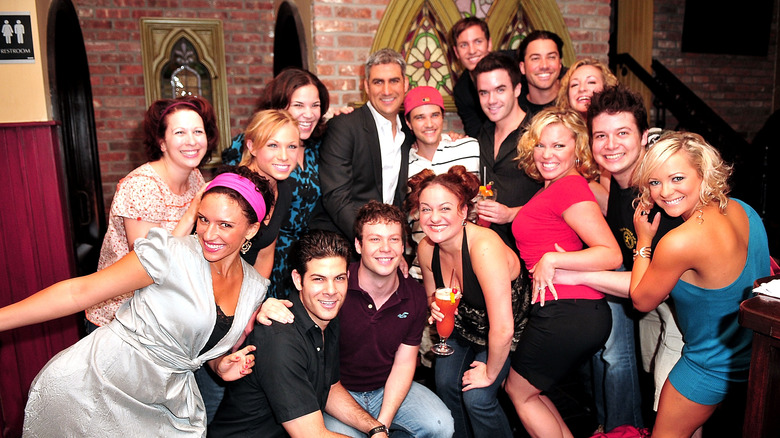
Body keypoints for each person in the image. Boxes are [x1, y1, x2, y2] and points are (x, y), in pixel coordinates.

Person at [0, 166, 274, 436]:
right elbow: (78, 292)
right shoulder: (168, 253)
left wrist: (219, 363)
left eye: (225, 225)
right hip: (99, 390)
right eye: (203, 219)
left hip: (168, 406)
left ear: (251, 230)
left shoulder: (254, 288)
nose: (209, 234)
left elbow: (199, 341)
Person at [552, 86, 683, 430]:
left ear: (643, 137)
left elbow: (653, 287)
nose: (611, 145)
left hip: (694, 318)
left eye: (622, 133)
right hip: (655, 304)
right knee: (601, 341)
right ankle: (612, 428)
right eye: (601, 136)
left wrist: (575, 273)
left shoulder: (659, 193)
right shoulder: (618, 187)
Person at [630, 132, 771, 438]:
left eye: (677, 177)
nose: (665, 192)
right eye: (654, 182)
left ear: (703, 173)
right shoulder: (744, 210)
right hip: (756, 361)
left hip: (707, 368)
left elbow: (641, 300)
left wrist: (643, 242)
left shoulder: (680, 241)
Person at [504, 108, 622, 438]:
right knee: (529, 392)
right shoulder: (551, 189)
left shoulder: (570, 187)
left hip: (569, 311)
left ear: (576, 148)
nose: (547, 154)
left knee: (518, 391)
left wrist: (553, 261)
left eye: (558, 146)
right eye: (541, 145)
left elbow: (611, 253)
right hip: (563, 310)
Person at [208, 230, 390, 438]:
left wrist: (374, 428)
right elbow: (312, 436)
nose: (331, 290)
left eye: (338, 278)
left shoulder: (327, 318)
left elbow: (329, 388)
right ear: (298, 280)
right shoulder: (280, 340)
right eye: (319, 279)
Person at [408, 165, 528, 438]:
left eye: (445, 208)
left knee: (478, 398)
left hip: (508, 331)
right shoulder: (426, 248)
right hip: (464, 329)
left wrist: (488, 374)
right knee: (445, 384)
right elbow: (432, 296)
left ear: (464, 211)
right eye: (426, 209)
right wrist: (434, 307)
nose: (434, 217)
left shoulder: (484, 247)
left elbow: (504, 328)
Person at [320, 201, 454, 437]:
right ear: (358, 245)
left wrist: (382, 423)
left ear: (403, 246)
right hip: (336, 392)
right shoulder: (334, 287)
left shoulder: (413, 295)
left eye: (393, 239)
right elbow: (316, 371)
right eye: (374, 239)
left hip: (386, 387)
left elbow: (403, 365)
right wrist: (374, 429)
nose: (386, 248)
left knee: (441, 425)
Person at [85, 96, 215, 332]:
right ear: (162, 142)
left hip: (165, 309)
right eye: (179, 133)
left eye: (198, 131)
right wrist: (192, 212)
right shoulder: (142, 186)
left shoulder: (194, 176)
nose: (192, 141)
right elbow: (150, 264)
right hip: (121, 315)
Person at [222, 68, 331, 299]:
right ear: (280, 106)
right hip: (256, 249)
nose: (309, 114)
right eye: (299, 105)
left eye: (315, 105)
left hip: (301, 256)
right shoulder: (250, 145)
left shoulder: (317, 146)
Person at [315, 48, 413, 242]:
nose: (387, 91)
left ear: (405, 84)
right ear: (366, 86)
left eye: (394, 81)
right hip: (346, 243)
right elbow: (336, 197)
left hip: (386, 245)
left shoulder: (408, 132)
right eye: (378, 82)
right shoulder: (344, 126)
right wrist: (370, 241)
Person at [472, 52, 540, 252]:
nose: (491, 100)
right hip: (490, 249)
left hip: (531, 251)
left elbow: (559, 195)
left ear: (517, 89)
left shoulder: (539, 133)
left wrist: (512, 214)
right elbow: (486, 183)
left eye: (500, 90)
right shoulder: (482, 135)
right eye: (484, 92)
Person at [237, 109, 300, 277]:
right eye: (273, 145)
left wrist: (255, 299)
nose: (284, 156)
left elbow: (265, 254)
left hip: (248, 288)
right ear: (252, 147)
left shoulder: (284, 189)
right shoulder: (235, 192)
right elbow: (217, 262)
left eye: (292, 146)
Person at [449, 17, 495, 138]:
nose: (472, 50)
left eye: (478, 41)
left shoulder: (513, 64)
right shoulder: (462, 90)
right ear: (456, 52)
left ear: (489, 44)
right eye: (464, 45)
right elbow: (476, 133)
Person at [517, 30, 565, 119]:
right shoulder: (515, 109)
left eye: (551, 57)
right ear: (522, 67)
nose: (544, 65)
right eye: (535, 58)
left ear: (560, 64)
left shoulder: (573, 102)